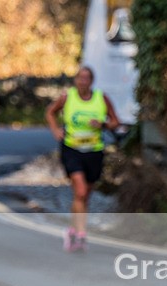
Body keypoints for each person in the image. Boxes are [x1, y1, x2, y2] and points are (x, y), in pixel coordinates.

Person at [45, 66, 120, 252]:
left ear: (91, 81)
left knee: (85, 195)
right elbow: (50, 112)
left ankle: (72, 229)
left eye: (87, 78)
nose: (83, 81)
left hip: (94, 151)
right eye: (80, 78)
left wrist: (102, 124)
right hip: (72, 149)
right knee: (80, 190)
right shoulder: (67, 97)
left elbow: (115, 122)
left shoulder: (101, 98)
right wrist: (55, 130)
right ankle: (81, 234)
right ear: (75, 80)